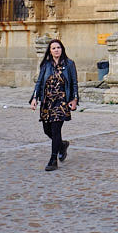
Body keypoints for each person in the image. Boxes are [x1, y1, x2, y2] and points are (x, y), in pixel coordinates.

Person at [29, 39, 78, 171]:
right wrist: (34, 98)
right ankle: (62, 145)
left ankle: (53, 159)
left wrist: (74, 99)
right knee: (47, 130)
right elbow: (39, 83)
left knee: (56, 130)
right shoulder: (46, 65)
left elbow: (74, 83)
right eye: (54, 48)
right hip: (47, 102)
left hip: (61, 102)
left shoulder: (69, 64)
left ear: (62, 49)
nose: (57, 50)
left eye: (58, 47)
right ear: (50, 51)